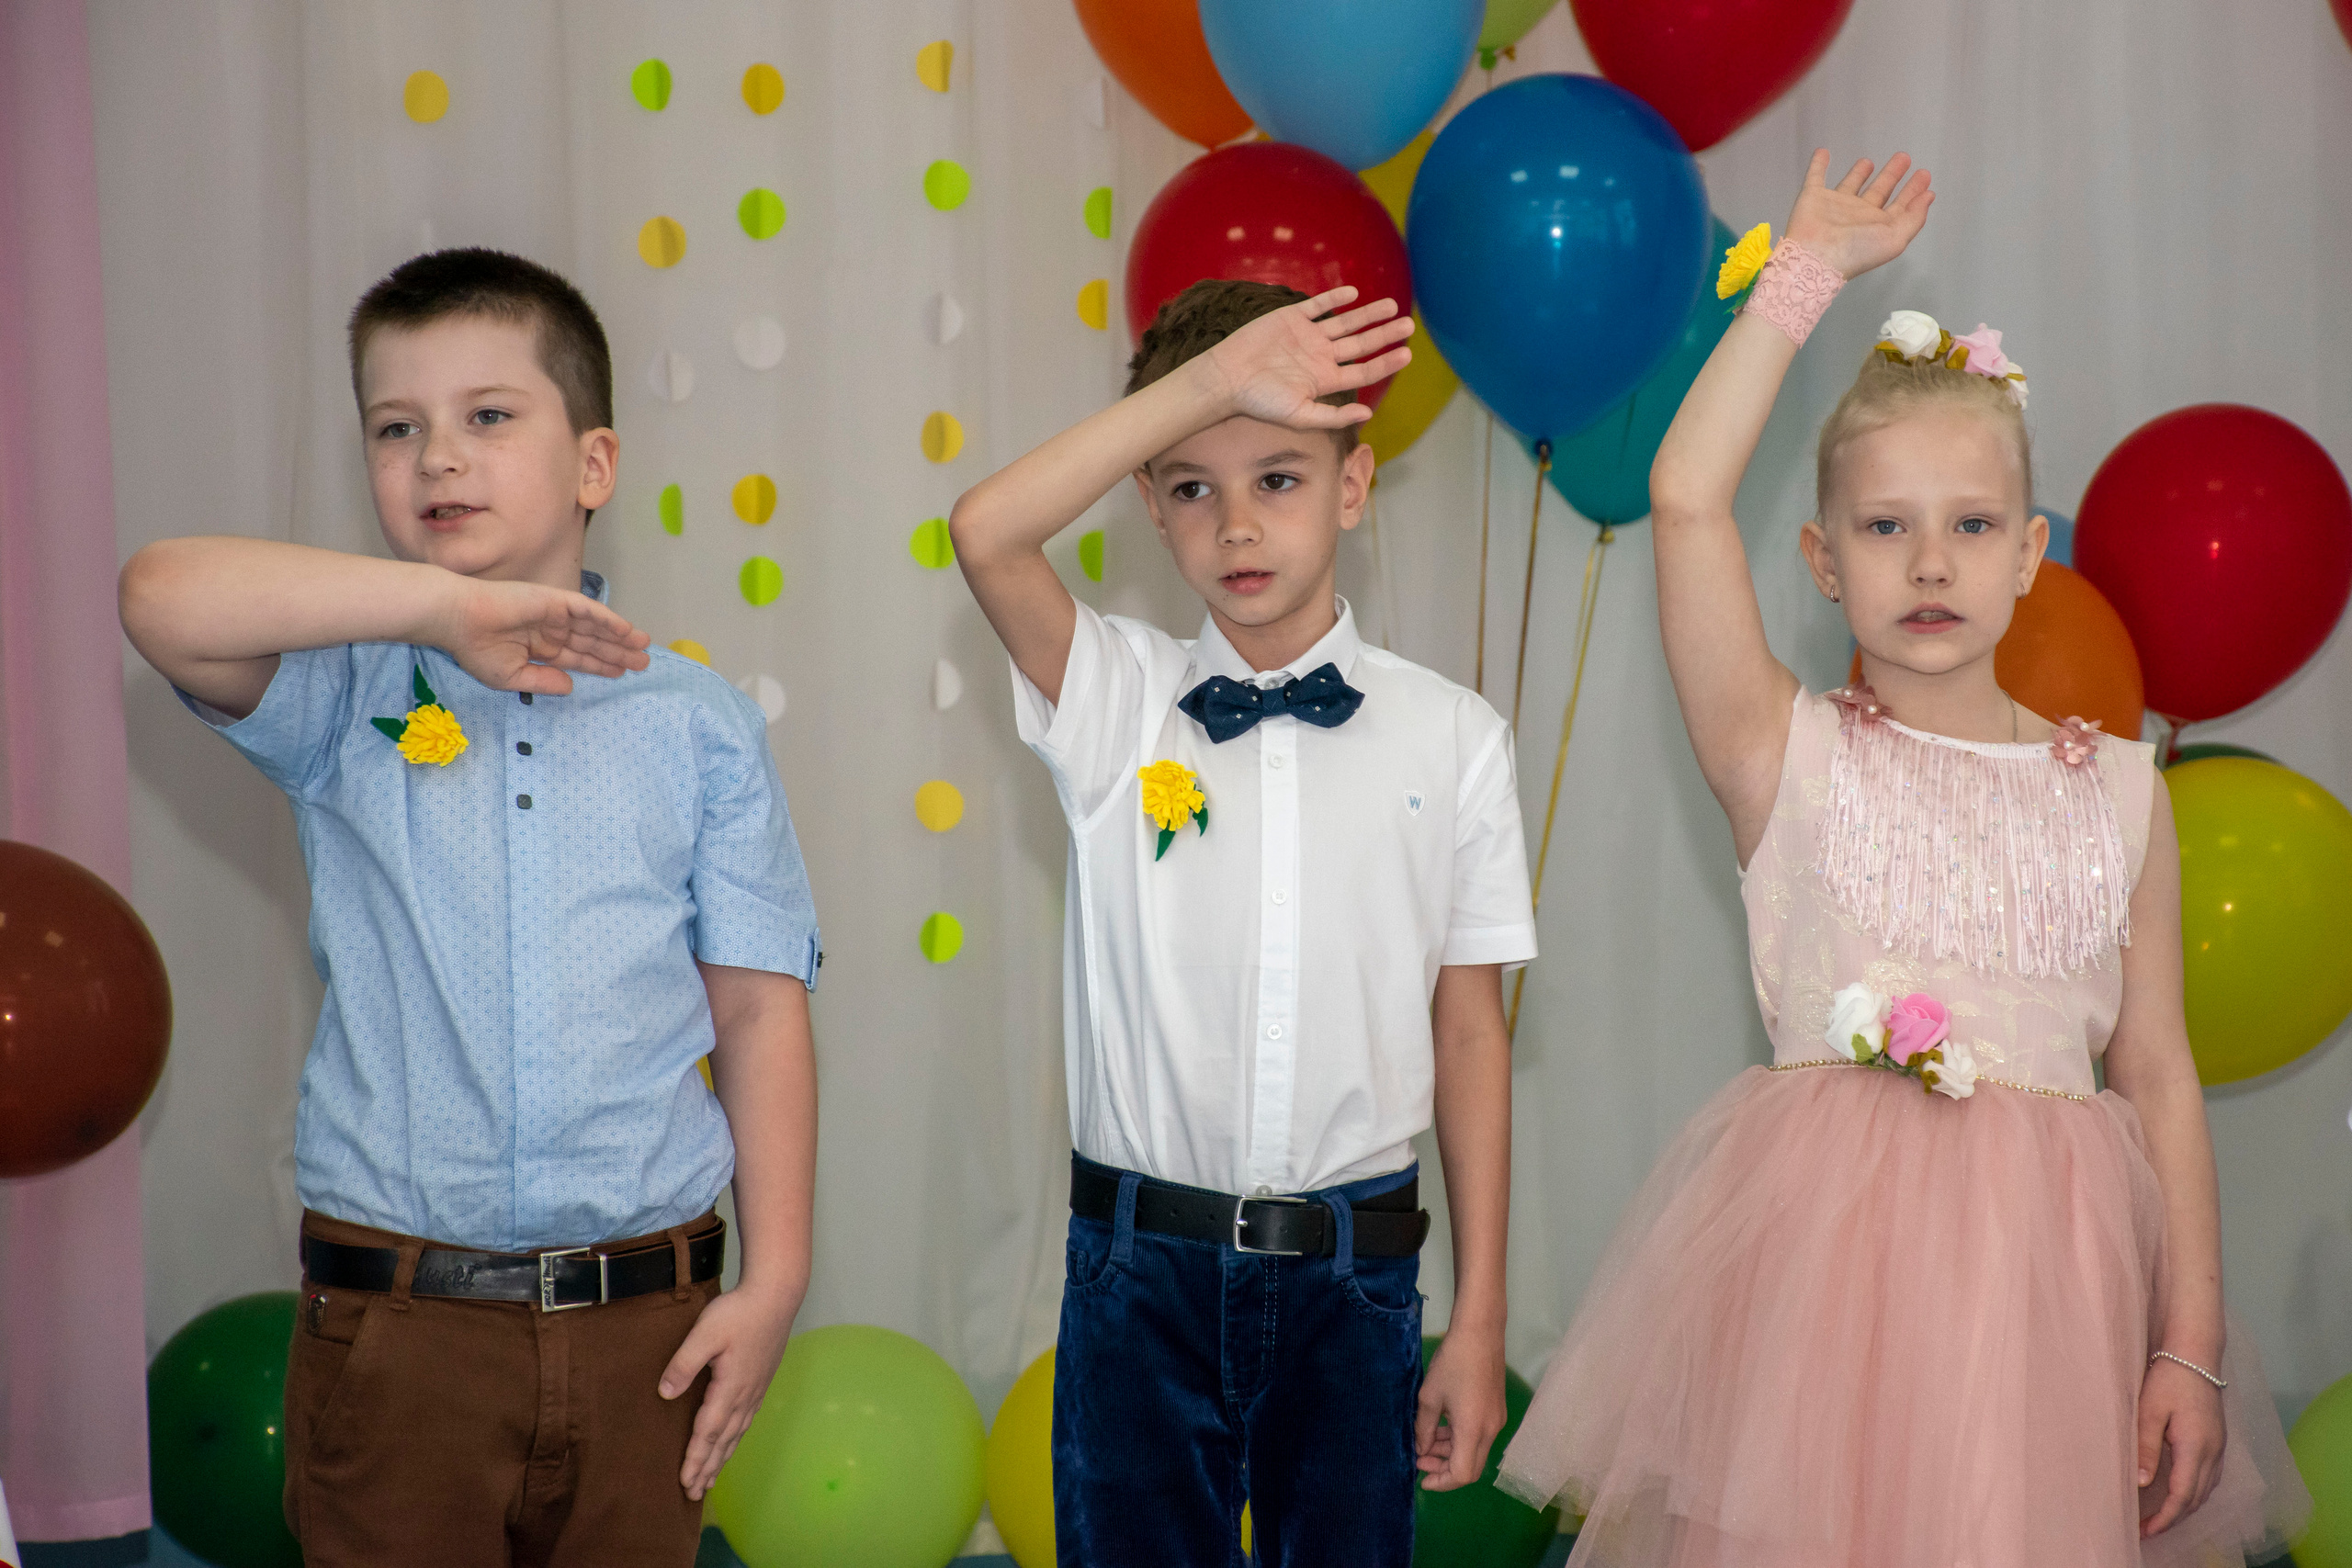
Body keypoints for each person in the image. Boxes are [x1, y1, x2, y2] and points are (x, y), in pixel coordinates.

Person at [1496, 152, 2312, 1566]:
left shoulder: (2122, 794)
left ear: (2026, 557)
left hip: (2044, 1344)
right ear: (1822, 562)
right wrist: (1799, 276)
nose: (1929, 564)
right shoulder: (1782, 755)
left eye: (1970, 527)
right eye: (1887, 528)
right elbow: (1687, 497)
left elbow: (2160, 1072)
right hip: (1824, 1347)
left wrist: (2188, 1347)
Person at [118, 248, 821, 1567]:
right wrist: (447, 607)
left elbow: (760, 1006)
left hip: (646, 1326)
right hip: (399, 1329)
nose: (439, 456)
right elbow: (159, 595)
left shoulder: (699, 725)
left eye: (488, 417)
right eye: (398, 428)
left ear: (593, 465)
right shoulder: (345, 695)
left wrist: (774, 1280)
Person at [949, 278, 1536, 1566]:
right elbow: (986, 531)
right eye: (1191, 487)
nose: (1235, 525)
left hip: (1356, 1273)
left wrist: (1479, 1317)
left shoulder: (1454, 734)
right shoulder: (1118, 699)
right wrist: (1214, 384)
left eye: (1277, 476)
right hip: (1134, 1277)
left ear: (1354, 484)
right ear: (1150, 504)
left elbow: (1472, 1035)